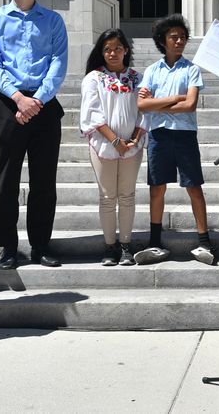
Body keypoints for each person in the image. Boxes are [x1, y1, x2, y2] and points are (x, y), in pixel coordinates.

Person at [0, 0, 67, 270]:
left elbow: (58, 64)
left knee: (44, 180)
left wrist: (37, 100)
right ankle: (7, 246)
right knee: (7, 179)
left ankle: (41, 245)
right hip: (8, 102)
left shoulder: (53, 20)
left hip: (44, 105)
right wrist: (19, 98)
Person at [136, 14, 215, 265]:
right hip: (159, 135)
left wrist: (158, 104)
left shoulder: (191, 69)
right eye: (174, 37)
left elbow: (190, 105)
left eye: (182, 37)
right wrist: (175, 99)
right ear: (163, 40)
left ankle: (204, 241)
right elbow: (141, 105)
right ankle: (155, 242)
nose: (179, 41)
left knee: (194, 186)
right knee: (157, 188)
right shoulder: (151, 71)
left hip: (184, 135)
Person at [80, 29, 146, 266]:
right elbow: (92, 114)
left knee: (127, 196)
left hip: (132, 146)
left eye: (117, 48)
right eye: (107, 49)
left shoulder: (138, 78)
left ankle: (126, 245)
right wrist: (115, 141)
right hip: (104, 145)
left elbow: (144, 111)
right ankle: (110, 246)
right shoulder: (94, 78)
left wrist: (135, 139)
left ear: (126, 50)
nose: (112, 53)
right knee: (108, 197)